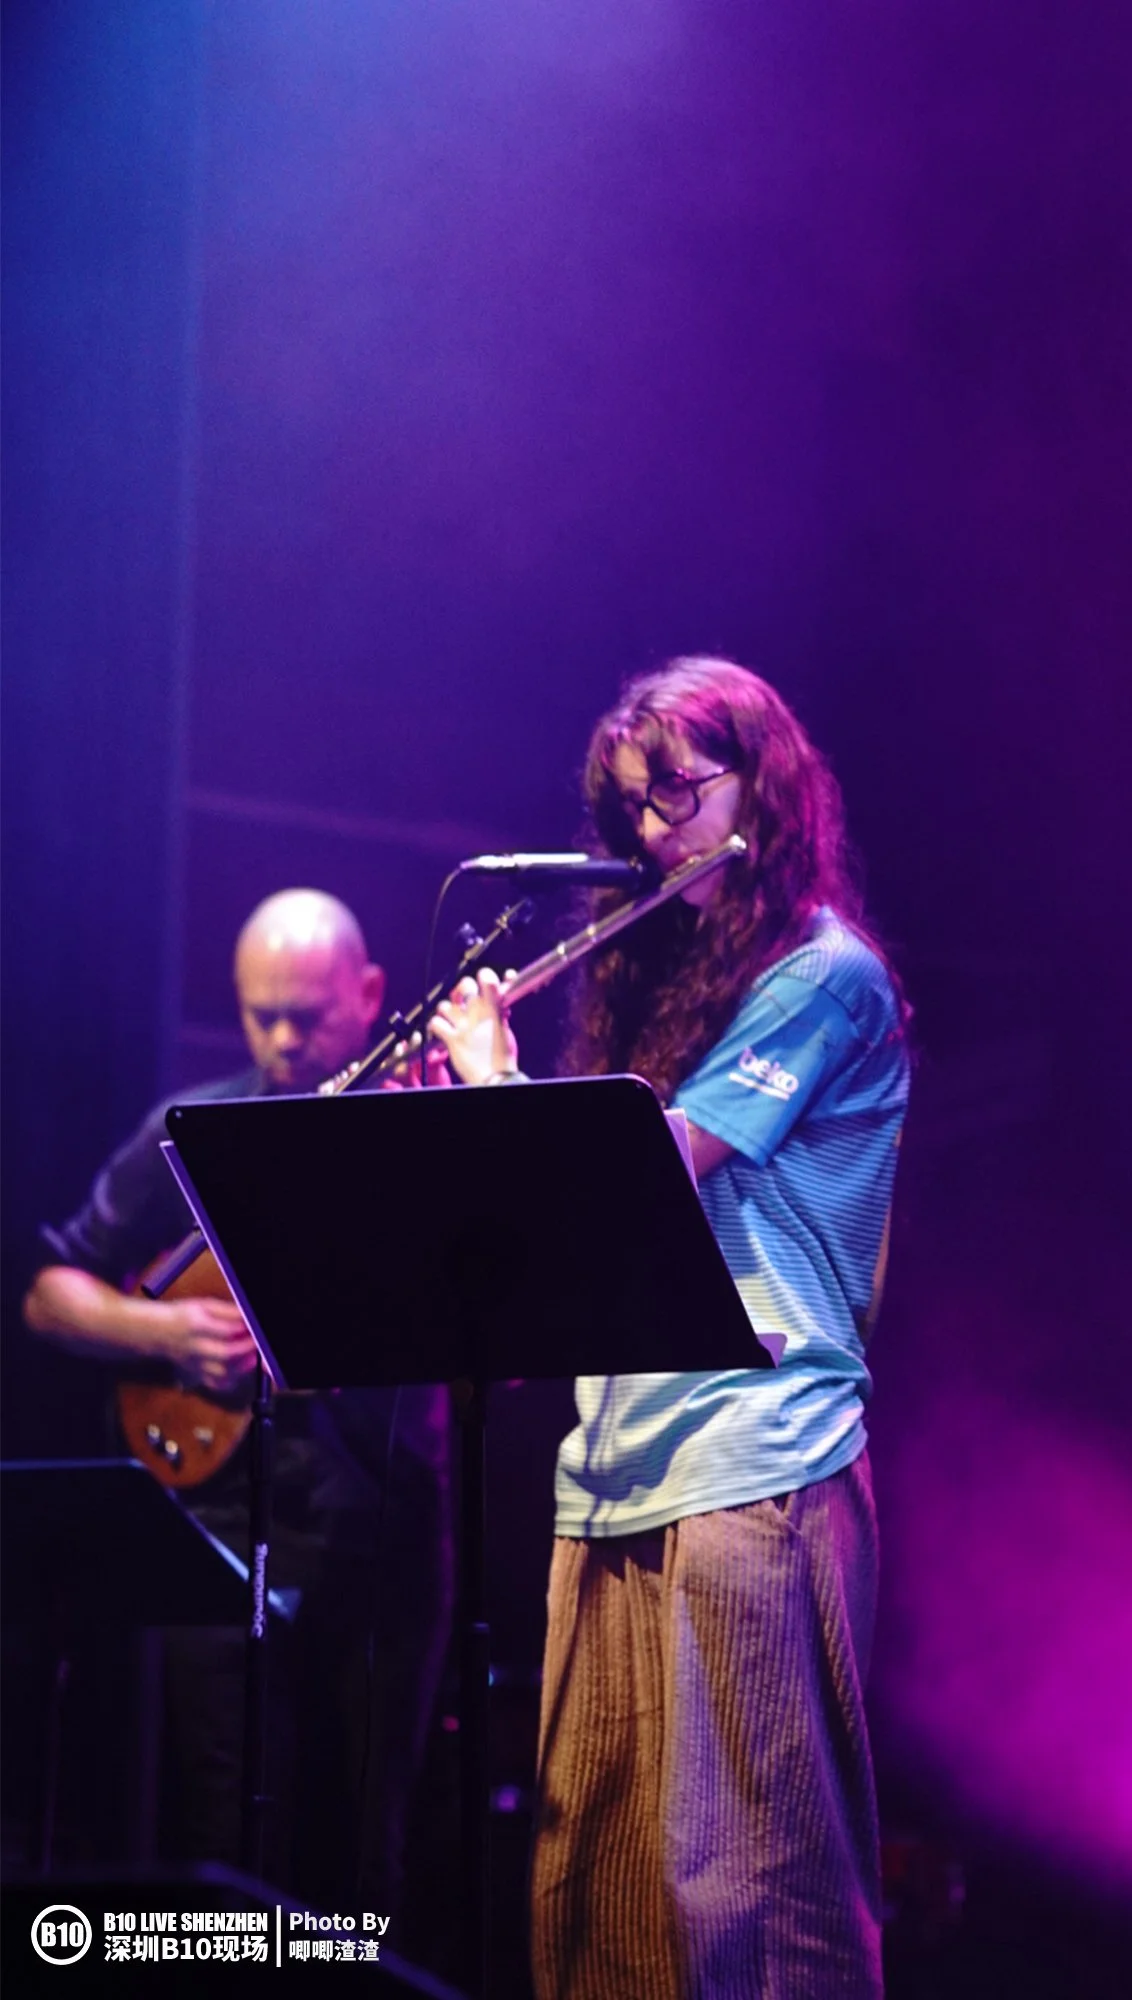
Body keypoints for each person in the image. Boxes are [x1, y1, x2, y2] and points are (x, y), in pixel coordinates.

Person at [426, 659, 910, 1999]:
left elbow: (647, 1168)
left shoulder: (825, 977)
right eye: (634, 808)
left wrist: (497, 1081)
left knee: (757, 1898)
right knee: (601, 1898)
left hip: (756, 1463)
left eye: (682, 793)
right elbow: (564, 1229)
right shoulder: (671, 985)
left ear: (766, 788)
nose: (656, 832)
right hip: (614, 1470)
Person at [23, 888, 452, 1926]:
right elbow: (48, 1290)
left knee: (364, 1854)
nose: (285, 1039)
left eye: (309, 1014)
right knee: (225, 1836)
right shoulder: (193, 1129)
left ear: (370, 994)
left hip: (383, 1526)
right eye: (264, 1015)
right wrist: (168, 1332)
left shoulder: (422, 1133)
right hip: (218, 1526)